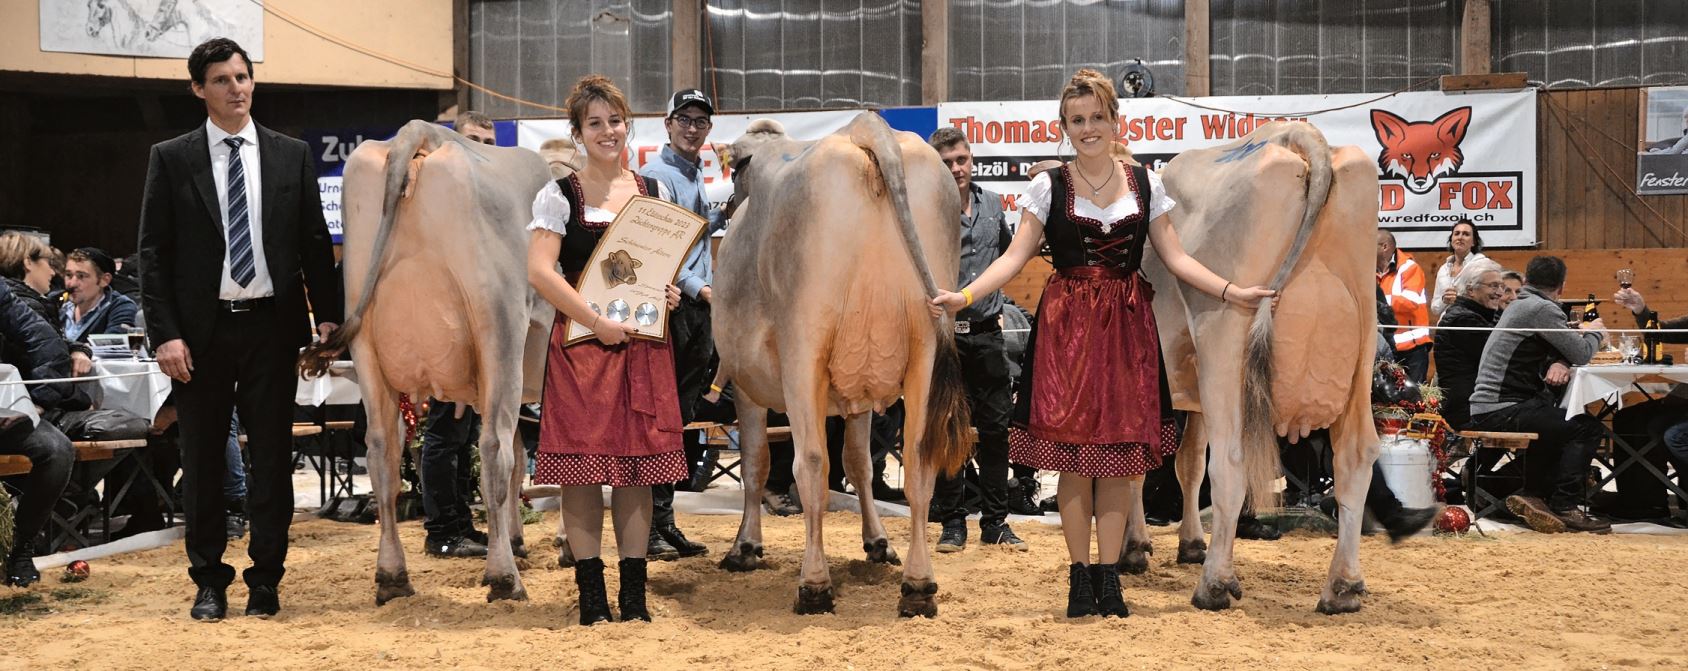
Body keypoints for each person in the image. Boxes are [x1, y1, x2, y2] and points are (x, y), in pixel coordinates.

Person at [931, 69, 1274, 619]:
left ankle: (1109, 579)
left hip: (1128, 331)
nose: (1088, 128)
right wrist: (964, 296)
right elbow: (1015, 257)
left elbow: (1179, 260)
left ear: (1117, 121)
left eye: (1097, 117)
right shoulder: (1050, 186)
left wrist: (1234, 291)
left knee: (1117, 464)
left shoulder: (1145, 183)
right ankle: (1078, 578)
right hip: (1067, 330)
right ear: (1063, 127)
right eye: (1077, 120)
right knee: (1074, 462)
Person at [136, 38, 342, 621]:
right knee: (201, 460)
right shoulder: (171, 158)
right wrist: (165, 335)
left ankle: (266, 578)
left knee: (273, 460)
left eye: (244, 77)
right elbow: (152, 254)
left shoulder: (290, 154)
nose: (237, 88)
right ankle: (209, 580)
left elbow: (313, 240)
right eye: (222, 79)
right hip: (198, 337)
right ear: (198, 89)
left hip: (272, 329)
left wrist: (325, 314)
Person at [525, 74, 686, 626]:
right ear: (577, 133)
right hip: (581, 349)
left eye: (615, 120)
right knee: (582, 473)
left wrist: (667, 292)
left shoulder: (652, 193)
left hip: (642, 347)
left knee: (638, 472)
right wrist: (594, 320)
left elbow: (660, 272)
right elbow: (540, 271)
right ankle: (593, 598)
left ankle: (635, 598)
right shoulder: (558, 195)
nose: (607, 131)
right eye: (594, 123)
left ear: (627, 125)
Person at [925, 126, 1025, 553]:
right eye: (946, 163)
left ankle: (996, 522)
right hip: (943, 340)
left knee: (997, 430)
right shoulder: (926, 210)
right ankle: (952, 523)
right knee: (949, 430)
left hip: (987, 335)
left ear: (972, 159)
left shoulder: (993, 203)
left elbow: (1006, 254)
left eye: (961, 159)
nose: (956, 168)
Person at [637, 88, 725, 561]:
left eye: (701, 121)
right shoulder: (656, 176)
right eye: (685, 119)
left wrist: (719, 216)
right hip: (673, 309)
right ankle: (650, 529)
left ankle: (664, 521)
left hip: (696, 311)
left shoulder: (693, 176)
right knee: (663, 419)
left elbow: (689, 233)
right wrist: (701, 290)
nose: (693, 128)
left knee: (680, 419)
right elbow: (660, 250)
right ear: (667, 124)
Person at [1467, 256, 1608, 534]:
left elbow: (1558, 349)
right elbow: (1581, 352)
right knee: (1586, 429)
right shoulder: (1542, 309)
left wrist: (1562, 361)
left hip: (1493, 405)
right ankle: (1565, 505)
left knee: (1556, 424)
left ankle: (1527, 493)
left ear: (1527, 280)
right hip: (1501, 409)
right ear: (1562, 286)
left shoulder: (1522, 304)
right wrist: (1595, 334)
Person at [414, 111, 499, 560]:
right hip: (446, 330)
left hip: (478, 329)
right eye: (472, 139)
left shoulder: (484, 201)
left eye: (487, 140)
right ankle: (441, 530)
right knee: (446, 434)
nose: (480, 147)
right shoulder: (438, 196)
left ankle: (460, 523)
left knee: (464, 435)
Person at [0, 281, 78, 587]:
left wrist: (39, 399)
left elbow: (45, 341)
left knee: (57, 450)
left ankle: (21, 547)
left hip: (3, 413)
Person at [1432, 257, 1506, 431]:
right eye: (1494, 286)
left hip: (1480, 402)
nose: (1500, 292)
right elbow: (1499, 358)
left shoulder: (1482, 315)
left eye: (1501, 286)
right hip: (1468, 406)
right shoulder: (1463, 319)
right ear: (1471, 290)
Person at [1376, 230, 1432, 383]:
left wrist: (1376, 302)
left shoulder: (1409, 268)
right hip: (1385, 348)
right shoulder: (1368, 271)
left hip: (1413, 349)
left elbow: (1410, 302)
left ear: (1385, 247)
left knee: (1415, 399)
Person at [60, 247, 140, 343]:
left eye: (81, 276)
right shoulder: (56, 304)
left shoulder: (121, 306)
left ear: (104, 280)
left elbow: (110, 346)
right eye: (68, 275)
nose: (72, 284)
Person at [1429, 218, 1487, 324]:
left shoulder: (1483, 266)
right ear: (1451, 240)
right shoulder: (1443, 269)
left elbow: (1490, 302)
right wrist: (1444, 301)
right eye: (1456, 233)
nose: (1460, 237)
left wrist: (1462, 299)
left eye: (1465, 234)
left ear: (1474, 242)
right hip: (1444, 329)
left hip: (1471, 327)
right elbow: (1435, 309)